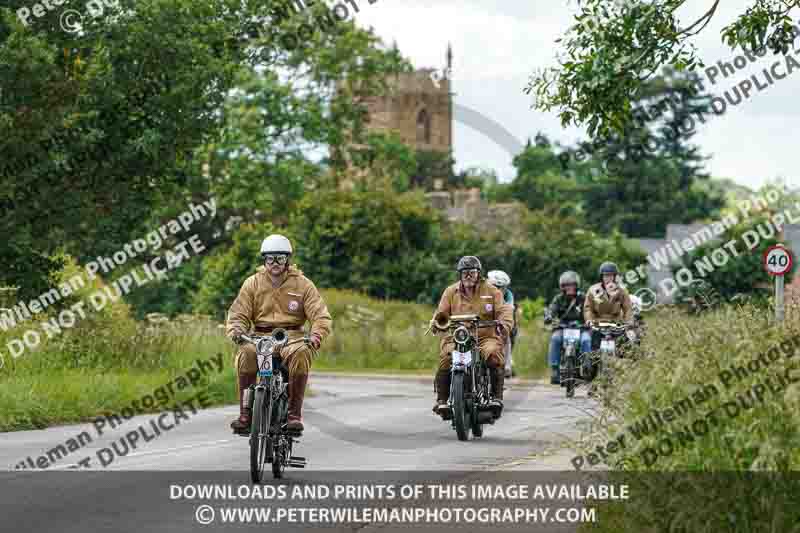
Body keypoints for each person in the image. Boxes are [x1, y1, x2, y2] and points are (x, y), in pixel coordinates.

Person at [226, 234, 332, 435]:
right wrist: (236, 330)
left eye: (280, 258)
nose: (274, 263)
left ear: (287, 260)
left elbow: (321, 316)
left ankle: (294, 415)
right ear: (264, 260)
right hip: (260, 337)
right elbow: (238, 314)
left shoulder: (303, 284)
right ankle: (246, 414)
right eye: (270, 258)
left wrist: (316, 335)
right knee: (246, 353)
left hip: (292, 338)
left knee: (301, 353)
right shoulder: (252, 283)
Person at [430, 256, 513, 417]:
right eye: (465, 272)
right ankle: (442, 401)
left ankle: (496, 398)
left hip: (485, 336)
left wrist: (504, 323)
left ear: (478, 274)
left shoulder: (492, 291)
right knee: (446, 357)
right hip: (458, 336)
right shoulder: (450, 291)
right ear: (460, 275)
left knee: (493, 353)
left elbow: (504, 310)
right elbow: (441, 313)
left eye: (472, 272)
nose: (468, 276)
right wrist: (436, 322)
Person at [544, 271, 591, 385]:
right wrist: (549, 316)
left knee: (586, 340)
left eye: (572, 285)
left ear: (576, 285)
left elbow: (589, 310)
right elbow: (552, 309)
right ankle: (555, 369)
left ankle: (586, 366)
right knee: (555, 339)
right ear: (562, 287)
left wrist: (590, 320)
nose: (569, 287)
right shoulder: (558, 298)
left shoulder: (583, 298)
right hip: (563, 327)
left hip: (581, 327)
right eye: (566, 285)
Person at [487, 270, 519, 378]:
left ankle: (507, 365)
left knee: (507, 335)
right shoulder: (481, 292)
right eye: (496, 286)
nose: (500, 290)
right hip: (482, 322)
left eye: (503, 287)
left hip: (499, 321)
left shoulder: (508, 295)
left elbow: (509, 309)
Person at [584, 262, 634, 327]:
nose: (608, 278)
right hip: (598, 324)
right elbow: (588, 308)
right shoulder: (593, 290)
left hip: (616, 324)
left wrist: (628, 321)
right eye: (606, 275)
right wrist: (589, 320)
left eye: (611, 275)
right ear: (602, 277)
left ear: (615, 276)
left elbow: (628, 308)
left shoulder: (621, 290)